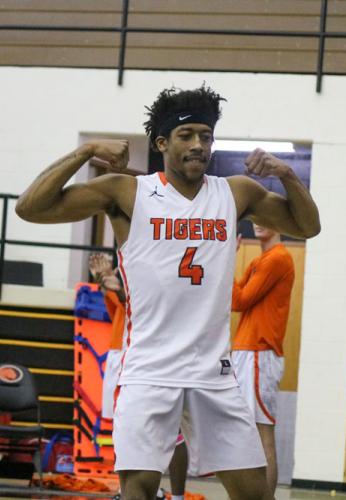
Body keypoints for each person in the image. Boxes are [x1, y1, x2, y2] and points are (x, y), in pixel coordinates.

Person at [15, 85, 321, 500]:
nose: (199, 145)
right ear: (161, 143)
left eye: (206, 136)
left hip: (214, 374)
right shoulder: (129, 192)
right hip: (149, 371)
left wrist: (286, 174)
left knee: (254, 494)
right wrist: (84, 152)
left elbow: (307, 227)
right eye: (187, 135)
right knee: (139, 489)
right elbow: (30, 208)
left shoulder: (234, 192)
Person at [89, 253, 192, 500]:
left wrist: (110, 282)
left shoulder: (154, 262)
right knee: (126, 431)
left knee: (172, 432)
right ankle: (133, 490)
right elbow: (120, 311)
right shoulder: (133, 262)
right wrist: (106, 285)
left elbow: (143, 305)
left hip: (147, 355)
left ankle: (175, 495)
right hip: (122, 352)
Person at [231, 224, 295, 494]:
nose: (258, 221)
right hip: (247, 351)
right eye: (255, 216)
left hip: (259, 353)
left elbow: (241, 299)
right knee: (249, 434)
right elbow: (236, 301)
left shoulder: (278, 258)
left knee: (262, 433)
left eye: (265, 216)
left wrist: (224, 260)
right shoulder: (259, 261)